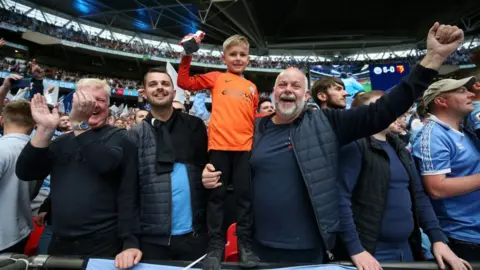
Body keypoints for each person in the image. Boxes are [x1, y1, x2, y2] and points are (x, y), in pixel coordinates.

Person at [202, 22, 464, 264]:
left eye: (296, 85)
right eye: (282, 84)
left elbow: (382, 110)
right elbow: (235, 172)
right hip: (258, 249)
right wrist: (211, 175)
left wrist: (433, 60)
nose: (288, 89)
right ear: (273, 92)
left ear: (307, 95)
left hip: (311, 249)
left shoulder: (328, 123)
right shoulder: (254, 129)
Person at [337, 91, 470, 270]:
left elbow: (419, 196)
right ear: (363, 113)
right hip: (371, 252)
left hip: (406, 247)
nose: (389, 109)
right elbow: (340, 199)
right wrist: (356, 249)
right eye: (380, 106)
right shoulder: (355, 145)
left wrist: (438, 239)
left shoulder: (398, 146)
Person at [15, 79, 141, 262]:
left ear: (108, 105)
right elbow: (26, 172)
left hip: (103, 244)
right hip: (59, 242)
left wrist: (130, 241)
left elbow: (105, 165)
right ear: (74, 102)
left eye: (100, 100)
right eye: (86, 99)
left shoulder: (121, 138)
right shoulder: (62, 142)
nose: (92, 105)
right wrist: (44, 129)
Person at [177, 34, 259, 269]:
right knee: (217, 199)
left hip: (244, 149)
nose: (238, 58)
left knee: (245, 199)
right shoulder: (216, 78)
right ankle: (215, 247)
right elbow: (184, 82)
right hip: (219, 148)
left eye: (242, 54)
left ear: (248, 59)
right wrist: (187, 55)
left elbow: (251, 118)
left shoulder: (252, 87)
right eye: (233, 54)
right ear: (224, 58)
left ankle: (244, 245)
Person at [115, 68, 208, 268]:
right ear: (144, 93)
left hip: (195, 237)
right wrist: (129, 241)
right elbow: (127, 192)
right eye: (153, 84)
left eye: (165, 84)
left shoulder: (195, 126)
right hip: (152, 240)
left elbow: (209, 170)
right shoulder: (135, 135)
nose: (160, 88)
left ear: (174, 92)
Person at [412, 76, 480, 261]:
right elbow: (436, 188)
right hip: (462, 236)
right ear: (441, 101)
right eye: (461, 91)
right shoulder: (433, 135)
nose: (471, 94)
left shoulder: (464, 129)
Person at [0, 100, 36, 253]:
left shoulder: (2, 149)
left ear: (2, 120)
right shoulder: (40, 152)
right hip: (19, 231)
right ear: (34, 124)